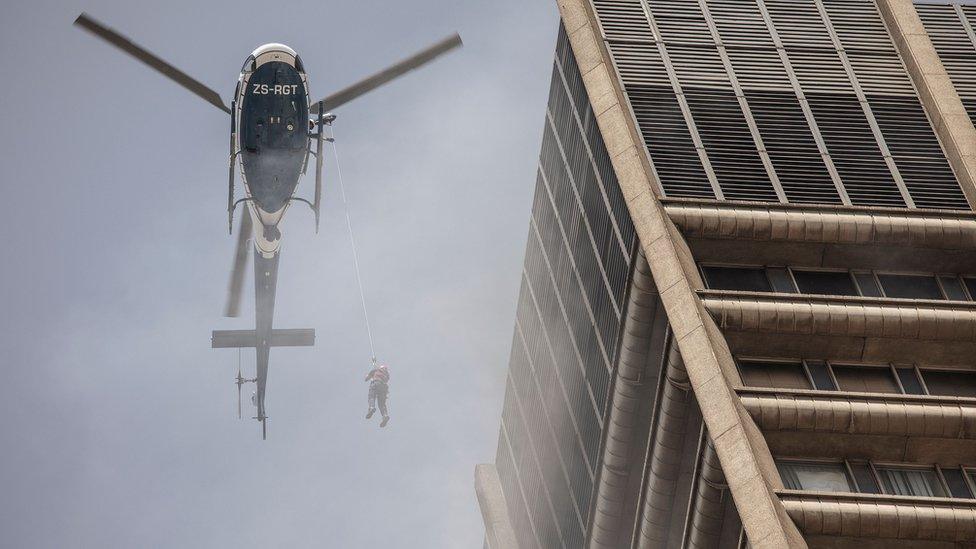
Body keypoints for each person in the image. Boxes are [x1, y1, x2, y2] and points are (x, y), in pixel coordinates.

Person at [364, 361, 390, 427]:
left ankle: (371, 407)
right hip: (384, 388)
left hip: (376, 383)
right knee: (381, 404)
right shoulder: (386, 375)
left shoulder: (376, 369)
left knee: (371, 396)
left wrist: (367, 376)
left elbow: (366, 378)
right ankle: (385, 415)